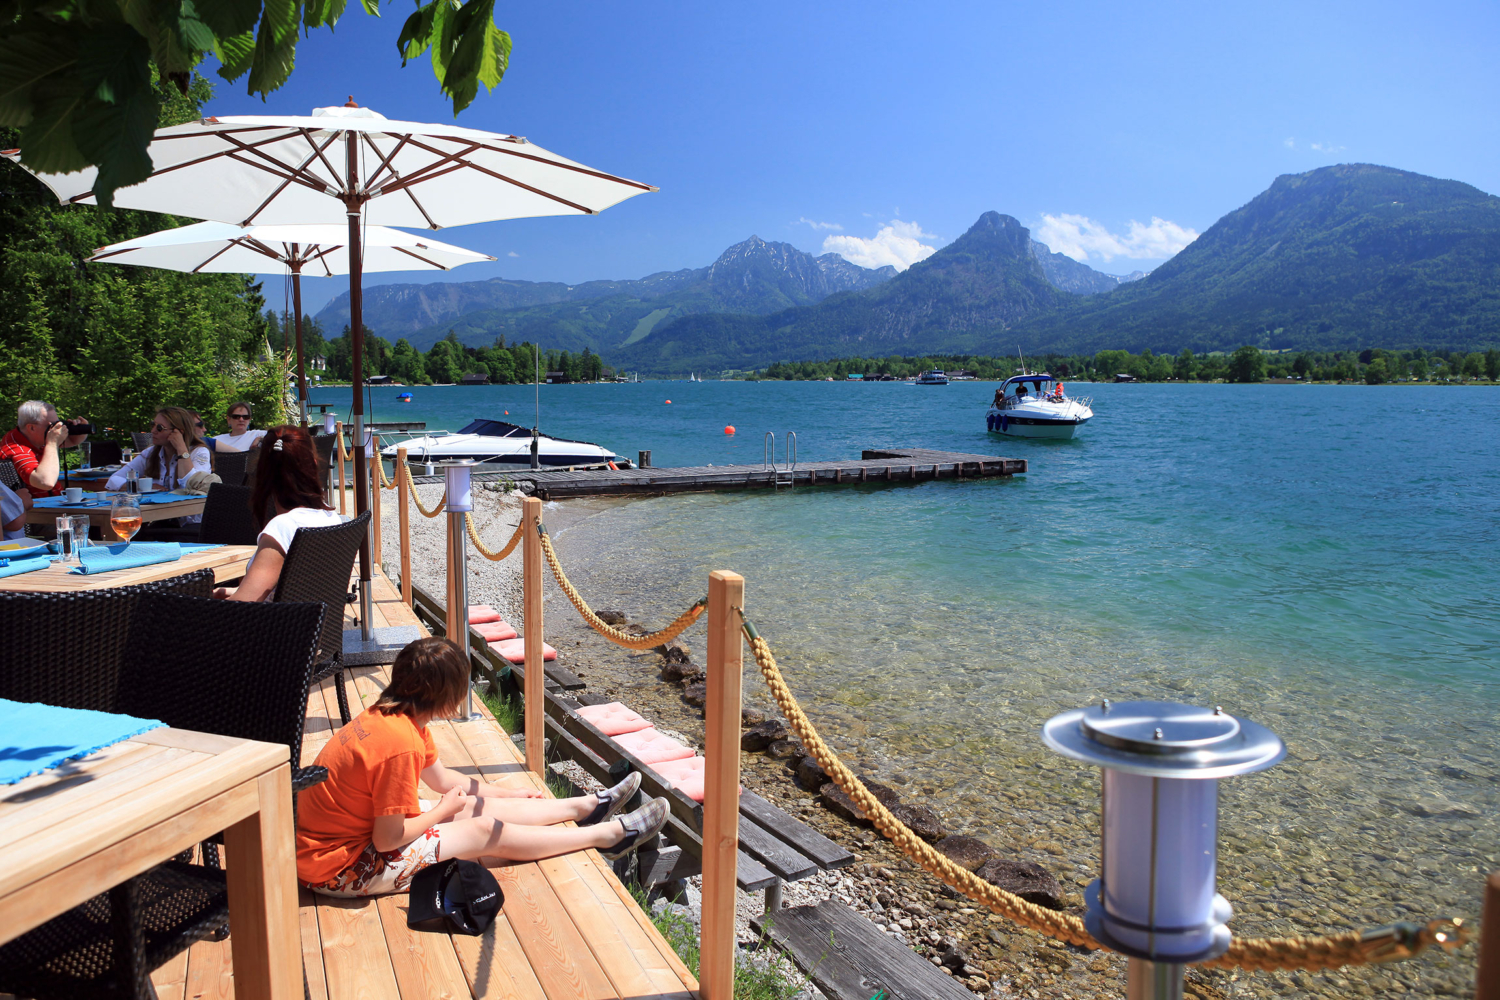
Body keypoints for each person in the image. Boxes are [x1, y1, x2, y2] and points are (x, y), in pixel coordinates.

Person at [296, 636, 669, 896]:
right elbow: (387, 839)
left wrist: (505, 795)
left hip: (346, 843)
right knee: (484, 831)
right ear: (448, 695)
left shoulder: (396, 716)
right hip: (339, 870)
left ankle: (587, 807)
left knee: (474, 805)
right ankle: (608, 837)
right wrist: (444, 811)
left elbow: (443, 780)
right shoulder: (400, 744)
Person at [213, 425, 341, 601]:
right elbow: (294, 593)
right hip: (310, 625)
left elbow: (242, 607)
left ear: (262, 471)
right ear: (314, 464)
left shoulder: (284, 528)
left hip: (269, 627)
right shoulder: (330, 519)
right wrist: (231, 592)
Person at [105, 406, 212, 495]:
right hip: (159, 515)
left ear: (178, 432)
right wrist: (142, 486)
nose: (153, 431)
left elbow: (192, 486)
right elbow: (114, 479)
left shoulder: (199, 452)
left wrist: (181, 449)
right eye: (153, 425)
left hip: (189, 518)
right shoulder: (151, 453)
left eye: (159, 428)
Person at [0, 400, 92, 498]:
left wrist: (81, 429)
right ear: (31, 428)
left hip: (53, 502)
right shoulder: (17, 449)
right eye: (52, 425)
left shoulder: (31, 437)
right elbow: (46, 482)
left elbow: (72, 441)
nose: (56, 429)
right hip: (41, 510)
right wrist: (52, 443)